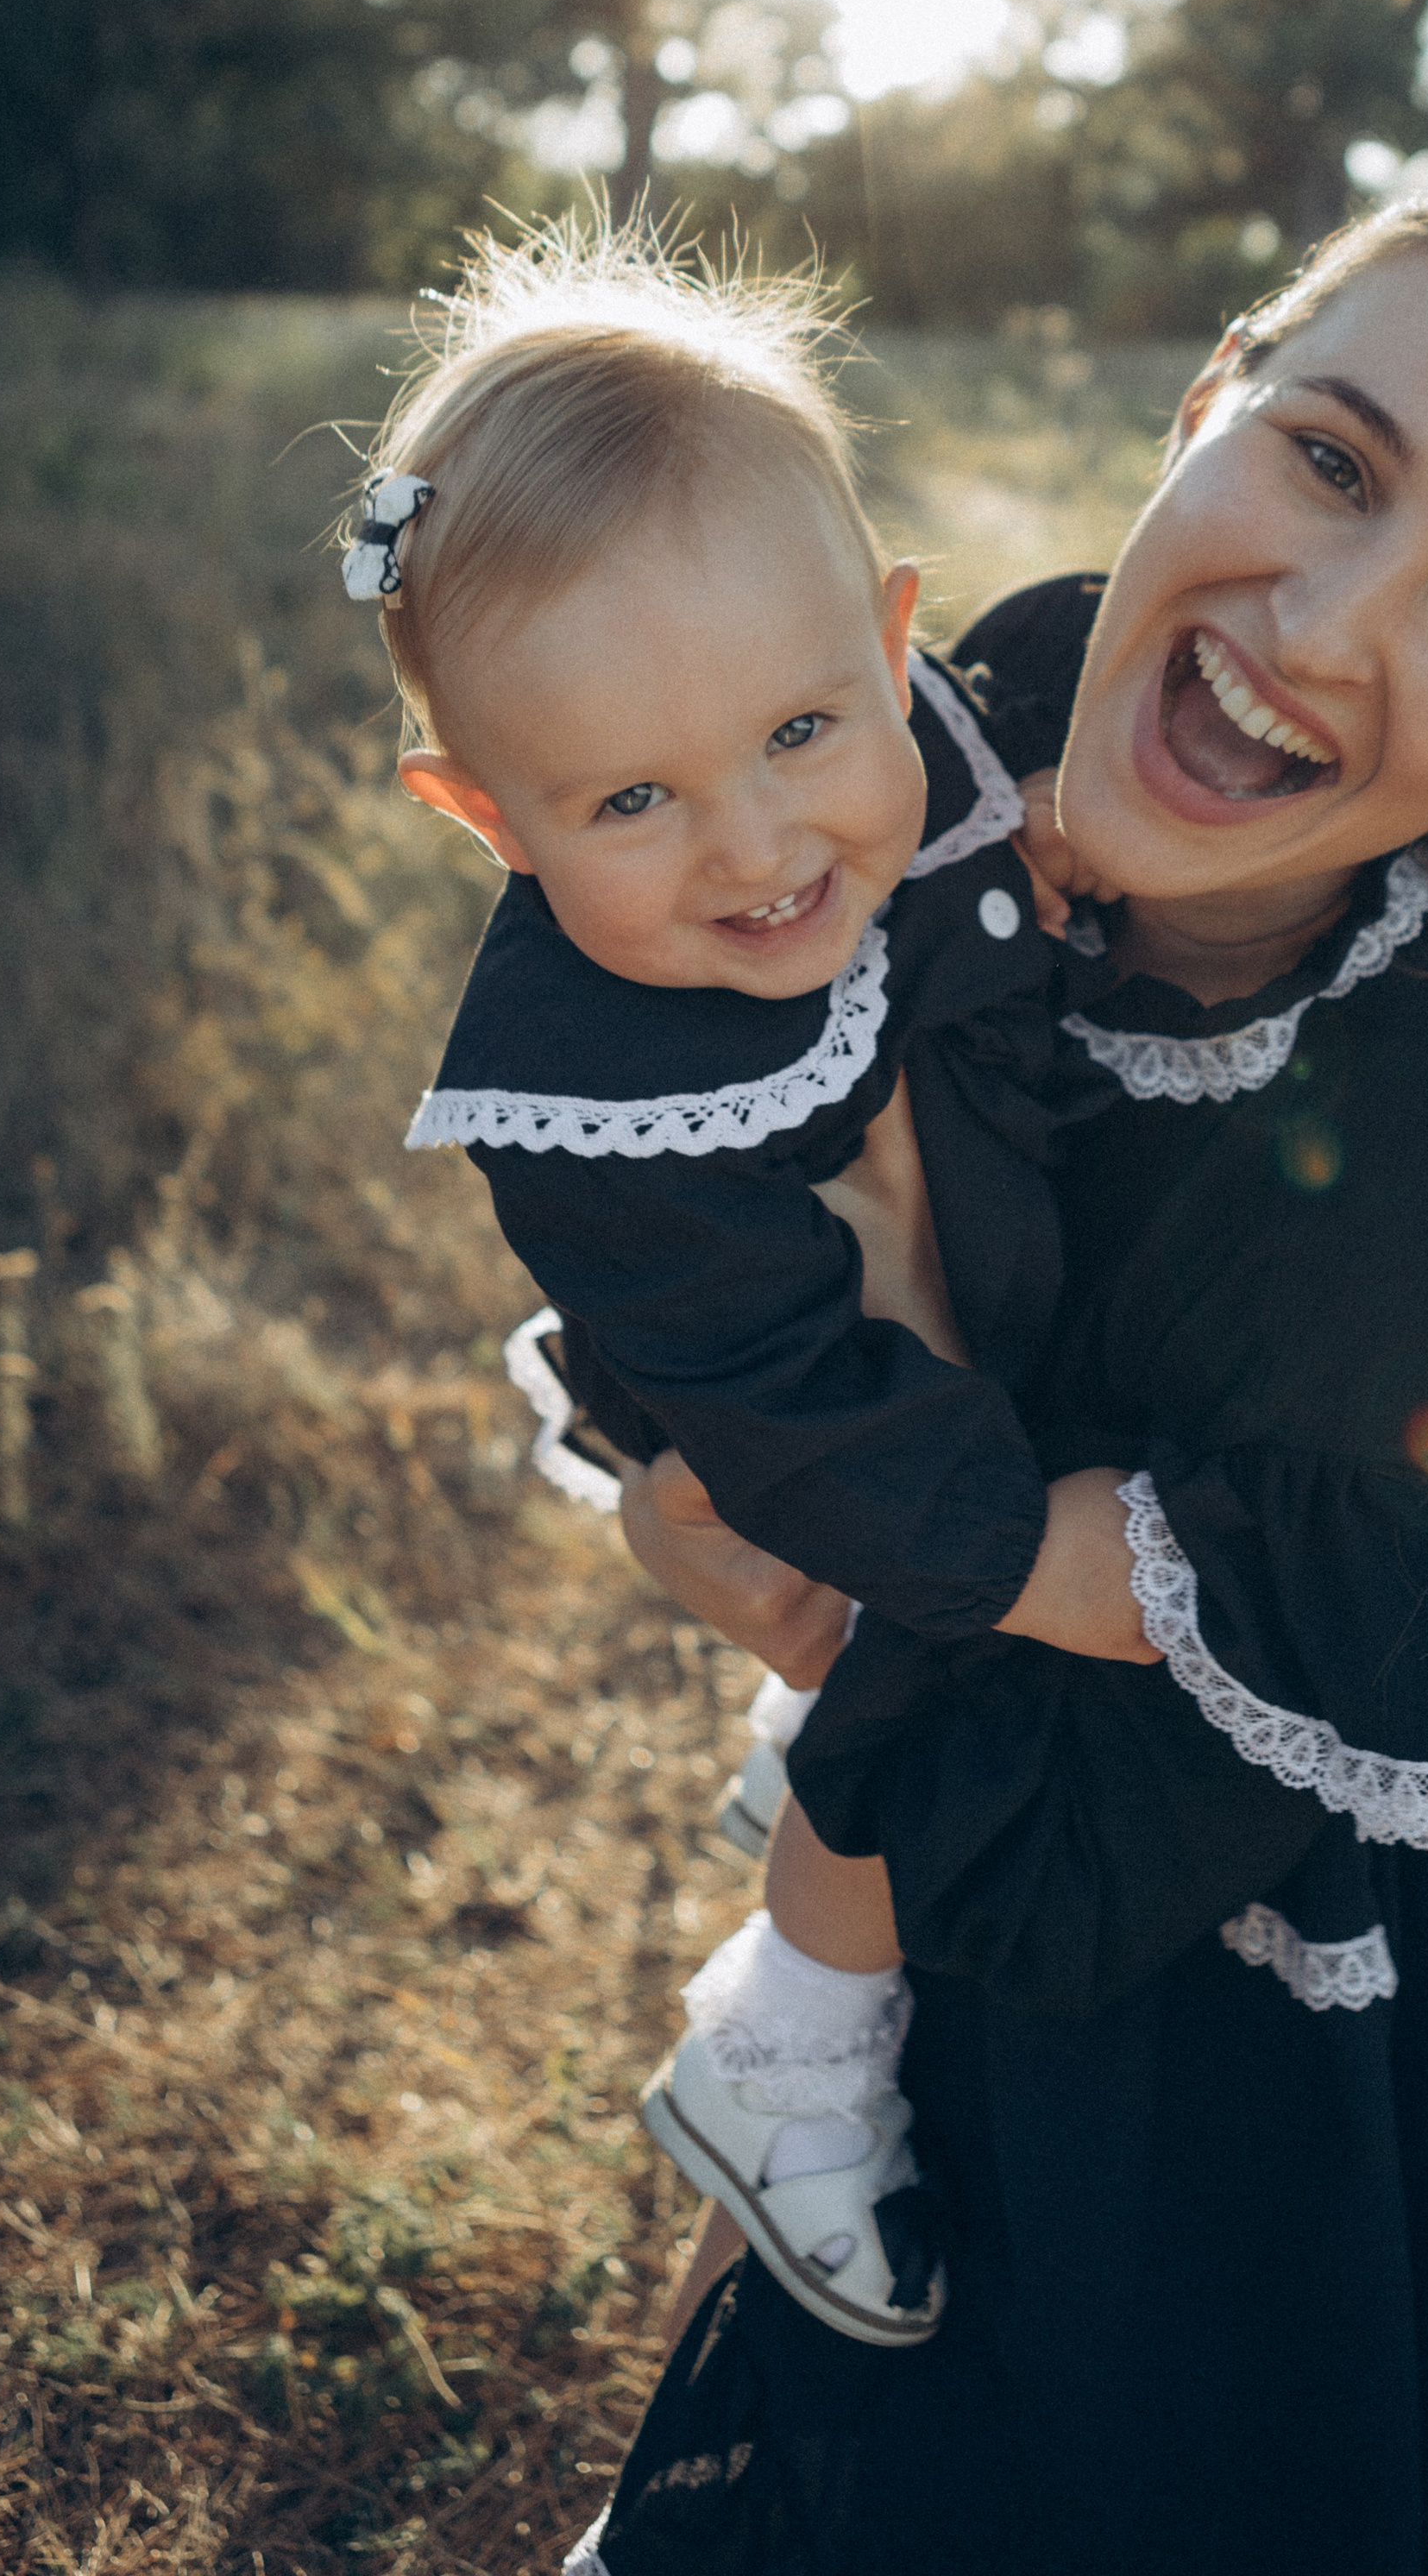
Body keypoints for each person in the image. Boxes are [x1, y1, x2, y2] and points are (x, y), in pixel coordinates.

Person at [575, 189, 1428, 2576]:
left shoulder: (1410, 1217)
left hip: (1225, 1979)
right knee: (815, 2332)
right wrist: (712, 1451)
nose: (1320, 633)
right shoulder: (941, 739)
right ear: (1206, 390)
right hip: (955, 1800)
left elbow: (1172, 1692)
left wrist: (868, 1494)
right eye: (1333, 459)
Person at [345, 227, 1154, 2348]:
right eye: (627, 800)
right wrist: (1022, 1566)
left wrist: (1058, 854)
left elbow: (997, 924)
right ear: (484, 820)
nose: (755, 845)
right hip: (796, 1414)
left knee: (911, 1613)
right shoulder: (587, 1091)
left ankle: (821, 1738)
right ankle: (789, 2038)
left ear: (893, 648)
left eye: (803, 726)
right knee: (932, 1643)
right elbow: (800, 1421)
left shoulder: (935, 779)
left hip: (923, 1333)